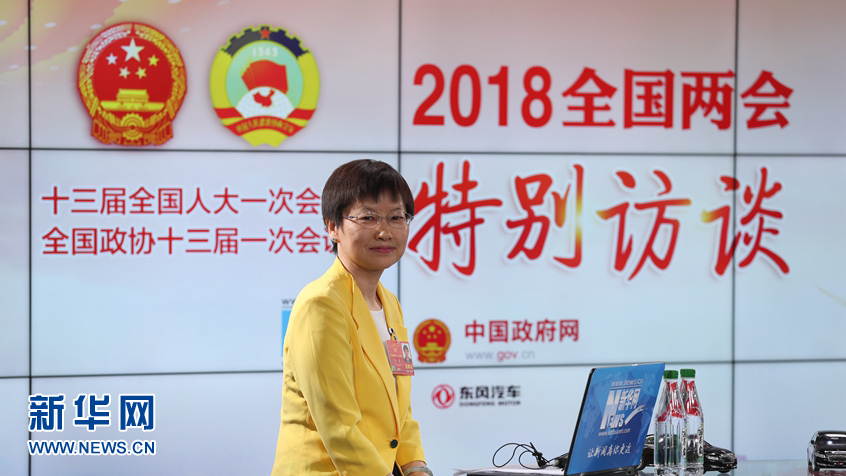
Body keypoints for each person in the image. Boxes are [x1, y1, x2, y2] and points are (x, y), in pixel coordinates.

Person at [270, 159, 432, 476]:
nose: (384, 231)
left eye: (396, 217)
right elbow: (338, 427)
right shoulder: (321, 304)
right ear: (333, 227)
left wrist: (416, 467)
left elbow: (400, 409)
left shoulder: (390, 303)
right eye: (368, 217)